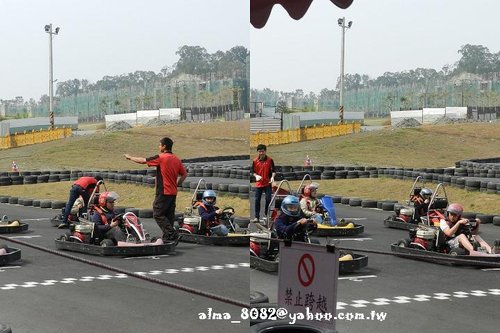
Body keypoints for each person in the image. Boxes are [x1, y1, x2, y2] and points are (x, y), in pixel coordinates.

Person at [125, 136, 187, 243]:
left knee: (157, 213)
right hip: (173, 192)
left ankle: (172, 233)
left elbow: (143, 161)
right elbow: (184, 174)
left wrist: (130, 157)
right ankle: (168, 238)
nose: (158, 146)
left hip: (163, 191)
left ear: (164, 146)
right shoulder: (176, 159)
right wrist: (177, 184)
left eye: (159, 144)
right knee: (168, 216)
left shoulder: (161, 157)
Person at [251, 144, 275, 223]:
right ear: (258, 152)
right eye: (260, 151)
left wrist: (272, 177)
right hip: (259, 184)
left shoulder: (270, 160)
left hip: (267, 183)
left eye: (263, 151)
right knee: (257, 200)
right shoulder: (255, 161)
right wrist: (256, 176)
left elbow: (273, 171)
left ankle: (266, 213)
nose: (261, 153)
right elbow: (252, 172)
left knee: (268, 199)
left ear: (265, 151)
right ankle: (256, 217)